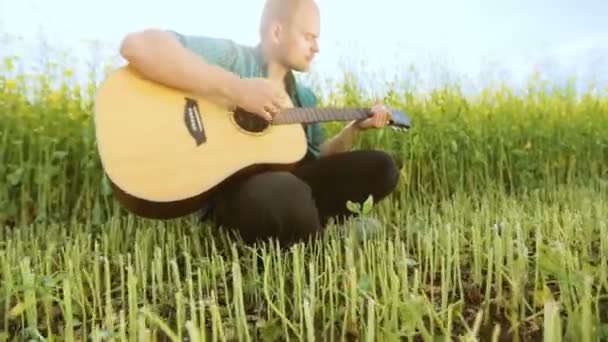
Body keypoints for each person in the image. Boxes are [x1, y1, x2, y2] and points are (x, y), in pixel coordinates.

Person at [118, 0, 400, 247]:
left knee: (382, 168)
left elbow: (318, 159)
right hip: (235, 193)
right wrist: (237, 90)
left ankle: (307, 225)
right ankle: (318, 228)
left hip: (290, 184)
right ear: (277, 32)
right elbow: (138, 46)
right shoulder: (233, 59)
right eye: (309, 37)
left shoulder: (303, 97)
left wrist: (352, 129)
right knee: (284, 194)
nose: (316, 47)